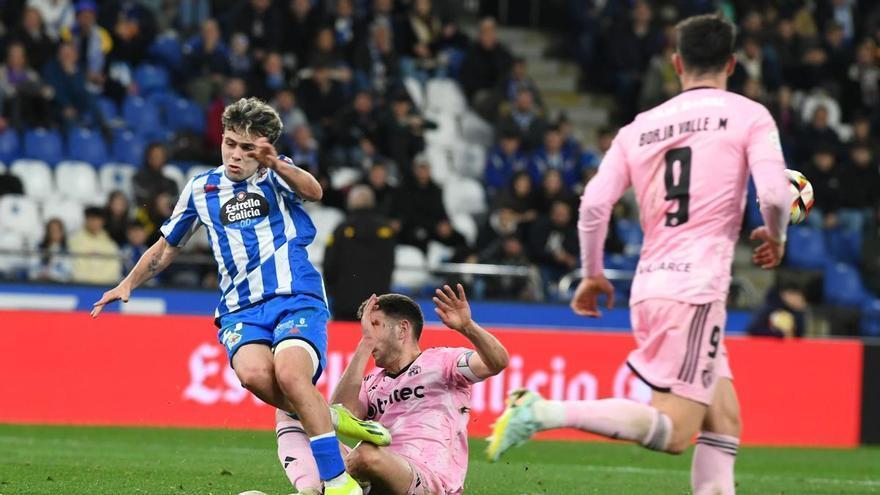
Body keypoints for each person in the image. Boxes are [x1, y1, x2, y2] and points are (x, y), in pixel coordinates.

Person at [487, 15, 793, 495]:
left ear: (676, 64)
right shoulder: (749, 115)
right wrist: (775, 235)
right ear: (732, 63)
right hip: (695, 289)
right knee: (675, 431)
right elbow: (775, 195)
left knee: (724, 417)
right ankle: (544, 410)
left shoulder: (640, 127)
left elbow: (593, 205)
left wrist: (591, 274)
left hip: (650, 285)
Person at [90, 97, 389, 495]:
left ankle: (339, 484)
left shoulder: (277, 176)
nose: (235, 154)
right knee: (253, 375)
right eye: (230, 142)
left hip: (294, 294)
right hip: (239, 309)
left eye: (247, 148)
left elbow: (315, 191)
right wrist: (128, 281)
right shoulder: (201, 188)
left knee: (290, 375)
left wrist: (276, 162)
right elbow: (166, 247)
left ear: (263, 148)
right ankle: (330, 418)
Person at [277, 287, 509, 495]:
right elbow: (339, 415)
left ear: (402, 329)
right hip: (376, 470)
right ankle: (311, 489)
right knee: (293, 413)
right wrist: (365, 344)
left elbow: (496, 362)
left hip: (428, 479)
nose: (368, 332)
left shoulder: (444, 362)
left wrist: (468, 327)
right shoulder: (372, 383)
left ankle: (328, 489)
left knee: (365, 455)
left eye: (375, 324)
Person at [323, 185, 396, 321]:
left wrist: (332, 290)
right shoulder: (386, 230)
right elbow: (390, 264)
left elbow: (329, 264)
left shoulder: (341, 229)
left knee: (344, 341)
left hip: (344, 303)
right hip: (376, 304)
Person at [69, 206, 121, 284]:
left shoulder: (110, 243)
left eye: (97, 220)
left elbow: (114, 268)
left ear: (102, 222)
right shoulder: (74, 241)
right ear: (86, 220)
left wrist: (100, 284)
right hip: (80, 286)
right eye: (91, 219)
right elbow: (75, 266)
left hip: (103, 287)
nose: (94, 223)